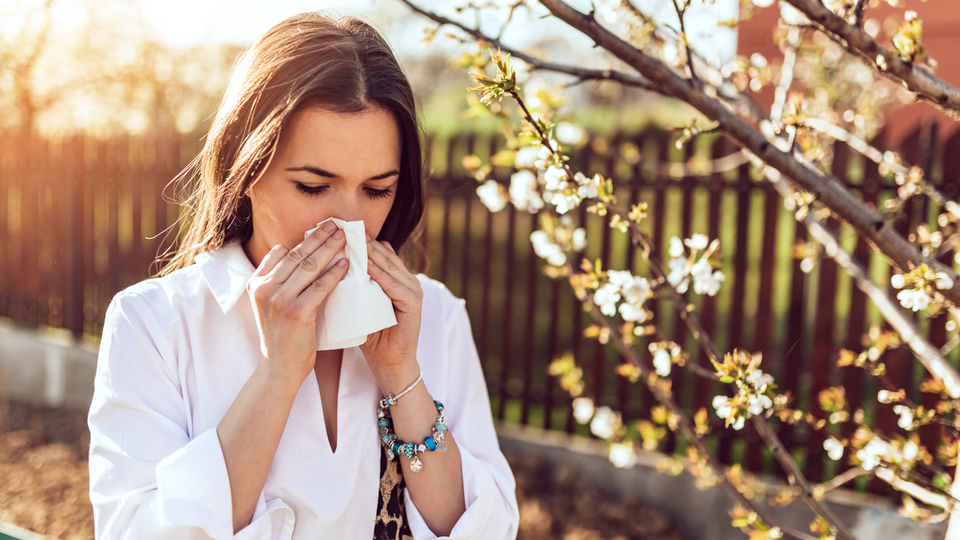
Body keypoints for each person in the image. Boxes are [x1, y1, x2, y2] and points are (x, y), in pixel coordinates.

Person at [87, 12, 519, 540]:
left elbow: (487, 529)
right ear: (242, 170)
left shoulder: (438, 317)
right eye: (315, 187)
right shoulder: (154, 324)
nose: (349, 223)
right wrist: (275, 377)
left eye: (377, 189)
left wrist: (404, 377)